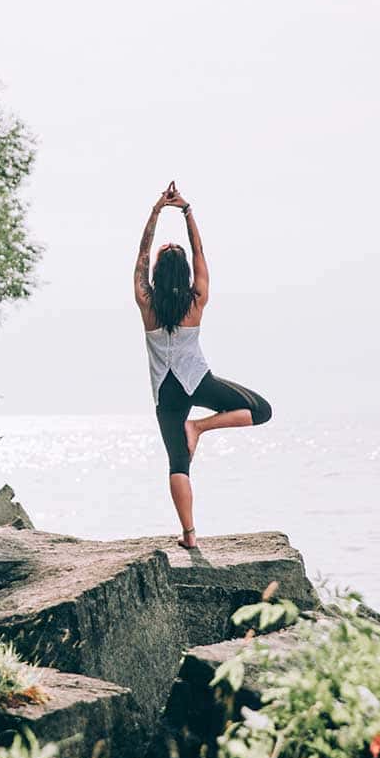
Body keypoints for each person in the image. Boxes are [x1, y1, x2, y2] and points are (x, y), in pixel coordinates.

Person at [133, 181, 273, 550]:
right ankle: (200, 426)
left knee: (178, 464)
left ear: (159, 273)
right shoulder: (197, 299)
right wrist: (186, 211)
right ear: (184, 276)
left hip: (166, 392)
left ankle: (190, 535)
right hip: (197, 381)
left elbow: (141, 255)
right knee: (261, 411)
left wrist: (155, 213)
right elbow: (200, 252)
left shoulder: (146, 302)